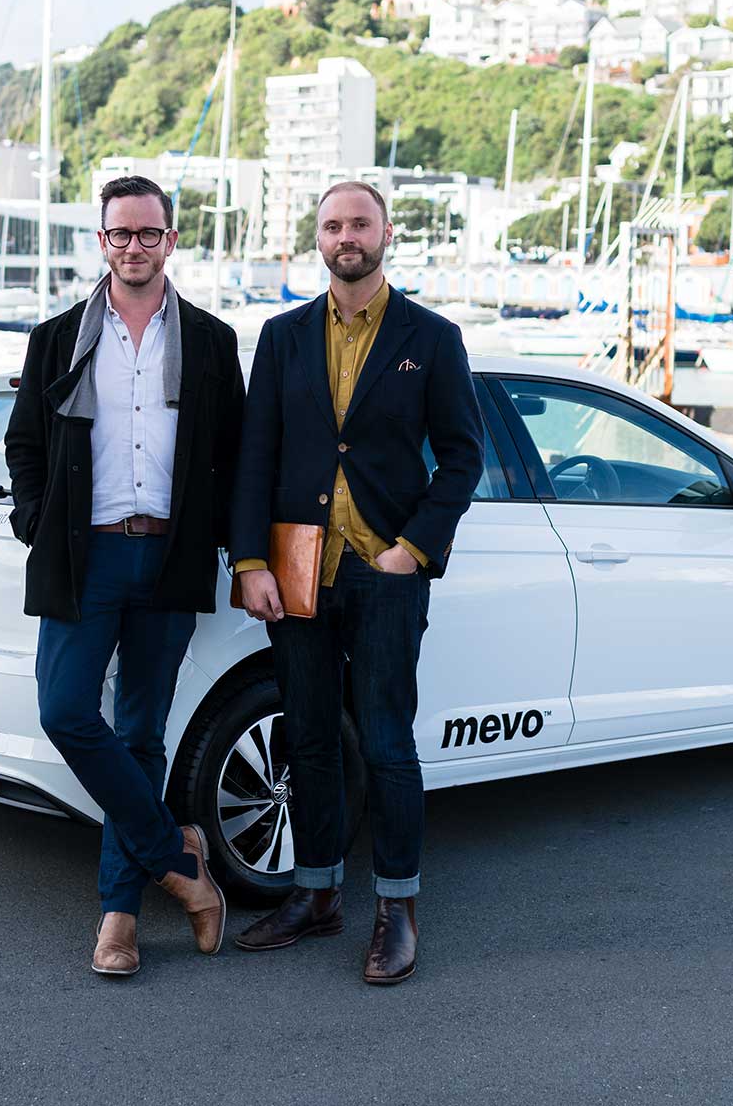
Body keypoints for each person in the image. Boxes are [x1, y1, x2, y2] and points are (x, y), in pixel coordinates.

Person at [228, 180, 483, 985]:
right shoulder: (281, 337)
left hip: (383, 572)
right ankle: (315, 895)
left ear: (386, 233)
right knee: (306, 738)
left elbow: (464, 455)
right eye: (333, 224)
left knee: (385, 743)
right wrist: (249, 560)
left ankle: (396, 910)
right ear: (319, 237)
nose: (347, 236)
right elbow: (254, 457)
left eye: (360, 223)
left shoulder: (432, 338)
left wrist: (413, 549)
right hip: (299, 572)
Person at [4, 174, 245, 977]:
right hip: (86, 555)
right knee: (66, 710)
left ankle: (118, 919)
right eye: (120, 234)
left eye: (148, 234)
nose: (134, 247)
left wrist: (229, 546)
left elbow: (233, 457)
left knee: (141, 734)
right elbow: (26, 445)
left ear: (171, 241)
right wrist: (34, 521)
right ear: (101, 242)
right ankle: (180, 863)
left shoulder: (211, 342)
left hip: (170, 557)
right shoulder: (58, 337)